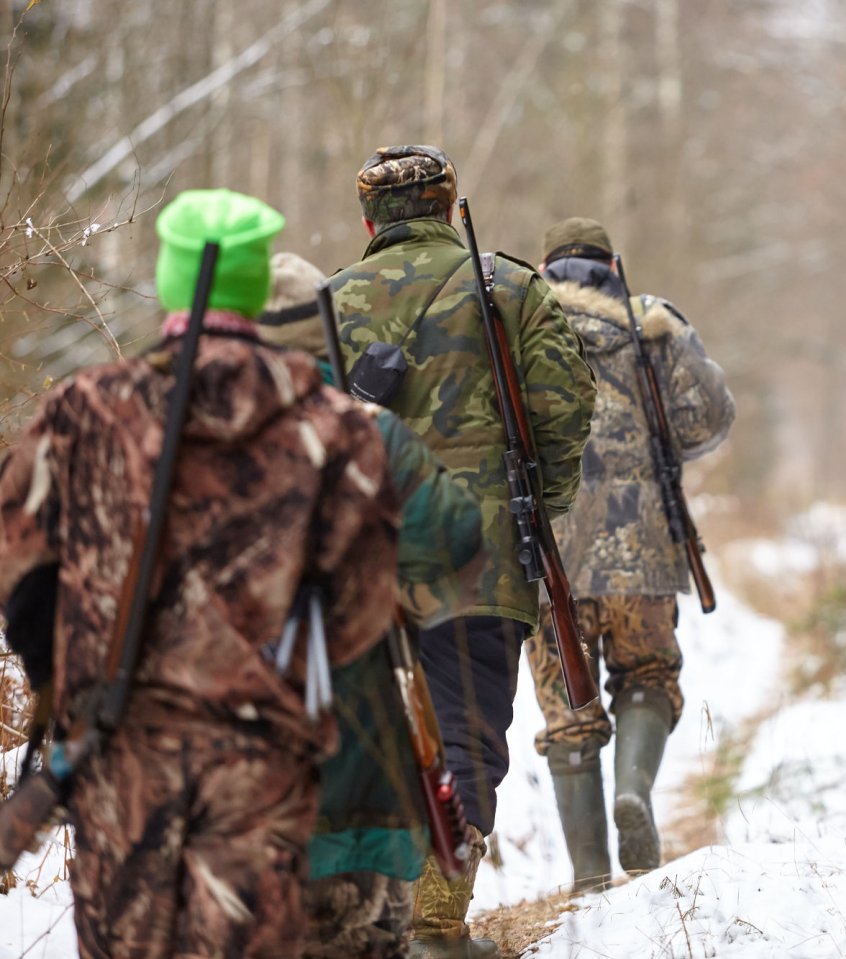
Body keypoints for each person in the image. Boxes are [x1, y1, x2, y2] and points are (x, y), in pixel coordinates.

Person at [0, 189, 400, 959]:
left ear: (170, 280)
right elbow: (361, 613)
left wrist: (64, 670)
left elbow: (17, 566)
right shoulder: (334, 429)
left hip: (117, 760)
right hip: (262, 766)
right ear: (256, 289)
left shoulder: (81, 412)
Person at [331, 146, 596, 958]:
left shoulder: (328, 302)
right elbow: (564, 408)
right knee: (466, 734)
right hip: (478, 556)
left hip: (357, 558)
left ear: (370, 222)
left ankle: (365, 922)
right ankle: (435, 923)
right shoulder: (510, 287)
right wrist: (535, 511)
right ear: (448, 209)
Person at [259, 251, 490, 959]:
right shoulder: (365, 432)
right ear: (323, 332)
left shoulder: (165, 434)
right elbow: (456, 539)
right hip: (351, 786)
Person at [526, 218, 735, 891]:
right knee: (647, 674)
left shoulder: (517, 327)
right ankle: (634, 791)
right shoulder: (651, 324)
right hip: (640, 548)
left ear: (545, 270)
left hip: (548, 558)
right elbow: (710, 417)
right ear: (611, 266)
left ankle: (589, 881)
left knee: (567, 714)